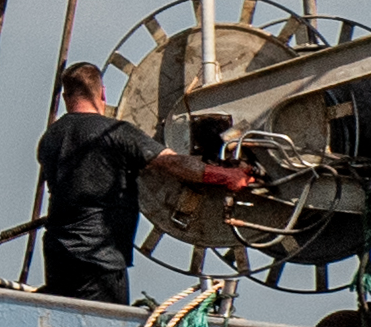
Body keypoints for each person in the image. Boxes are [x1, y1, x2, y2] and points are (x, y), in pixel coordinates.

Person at [32, 66, 255, 306]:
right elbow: (172, 163)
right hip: (100, 260)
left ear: (66, 97)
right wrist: (226, 175)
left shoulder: (50, 138)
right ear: (102, 94)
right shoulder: (115, 133)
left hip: (58, 256)